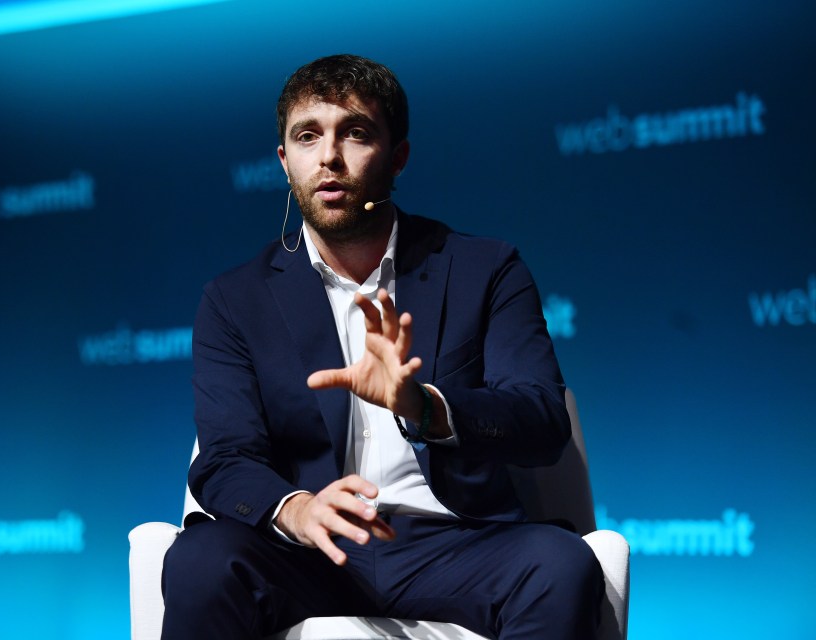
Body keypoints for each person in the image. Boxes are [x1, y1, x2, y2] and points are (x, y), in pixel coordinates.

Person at [161, 53, 603, 639]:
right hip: (307, 550)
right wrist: (295, 509)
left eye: (357, 134)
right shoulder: (234, 299)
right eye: (308, 136)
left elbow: (542, 419)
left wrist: (425, 407)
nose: (329, 158)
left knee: (560, 564)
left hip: (453, 543)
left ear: (398, 157)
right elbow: (223, 457)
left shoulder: (485, 268)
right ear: (284, 160)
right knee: (201, 561)